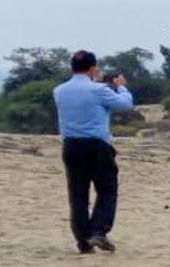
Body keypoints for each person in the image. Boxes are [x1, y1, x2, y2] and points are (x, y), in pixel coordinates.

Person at [52, 50, 134, 254]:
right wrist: (121, 88)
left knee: (78, 195)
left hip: (71, 145)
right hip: (97, 146)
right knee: (107, 189)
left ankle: (83, 239)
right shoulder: (99, 90)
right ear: (92, 68)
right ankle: (98, 229)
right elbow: (125, 105)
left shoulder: (59, 91)